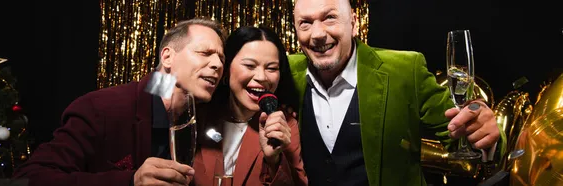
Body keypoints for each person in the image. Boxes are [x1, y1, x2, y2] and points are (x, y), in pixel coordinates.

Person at [288, 0, 500, 185]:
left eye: (330, 18)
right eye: (305, 23)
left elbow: (459, 134)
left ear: (353, 23)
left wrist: (485, 136)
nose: (317, 34)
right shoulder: (283, 70)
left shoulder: (406, 70)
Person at [12, 18, 226, 186]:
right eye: (204, 53)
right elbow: (30, 178)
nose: (217, 64)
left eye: (221, 58)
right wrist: (130, 181)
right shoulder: (101, 108)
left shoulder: (202, 121)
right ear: (167, 57)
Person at [192, 26, 307, 186]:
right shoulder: (196, 115)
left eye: (272, 68)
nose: (261, 77)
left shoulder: (284, 125)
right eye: (249, 66)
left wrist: (273, 160)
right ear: (226, 68)